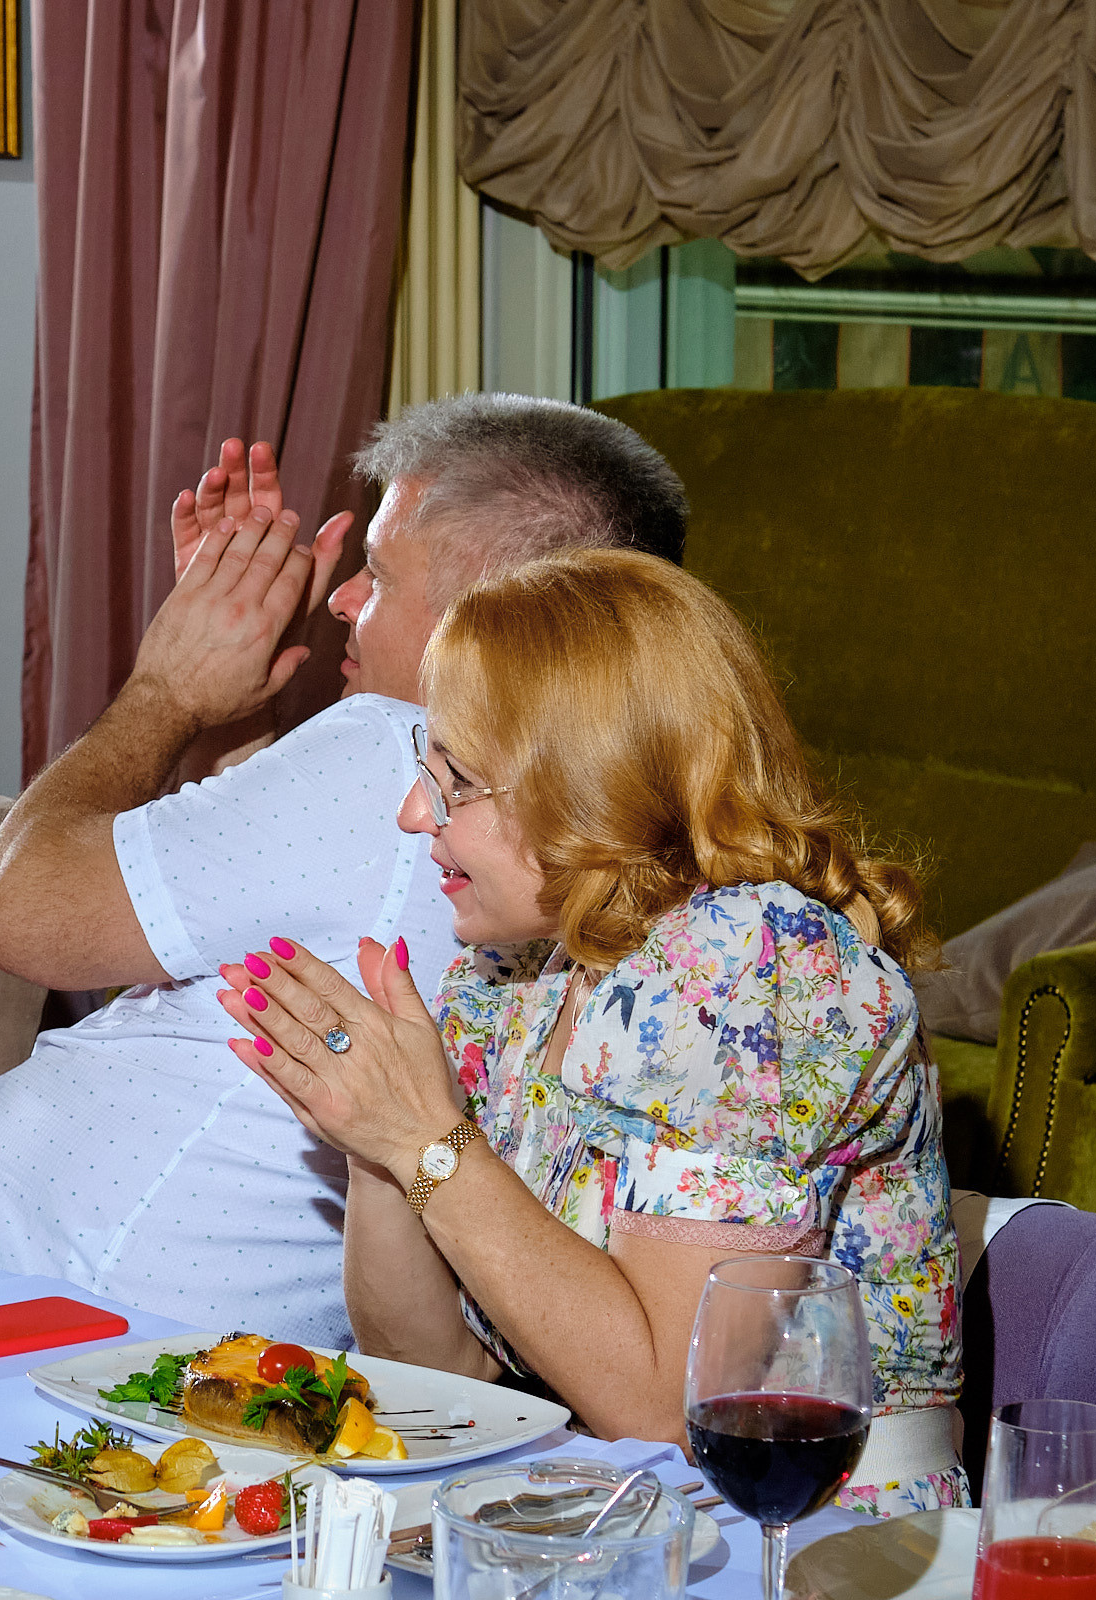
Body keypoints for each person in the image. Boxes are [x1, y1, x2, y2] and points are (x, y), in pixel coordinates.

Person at [0, 394, 690, 1345]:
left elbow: (15, 914)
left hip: (50, 1319)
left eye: (378, 575)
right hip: (78, 1309)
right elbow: (279, 893)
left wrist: (169, 689)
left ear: (487, 608)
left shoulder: (389, 752)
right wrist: (234, 725)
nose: (341, 601)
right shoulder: (529, 811)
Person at [224, 549, 962, 1512]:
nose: (415, 814)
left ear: (588, 785)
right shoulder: (526, 969)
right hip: (589, 1505)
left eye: (456, 778)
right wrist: (374, 1133)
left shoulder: (753, 964)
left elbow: (669, 1408)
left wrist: (426, 1139)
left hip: (812, 1535)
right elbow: (431, 1366)